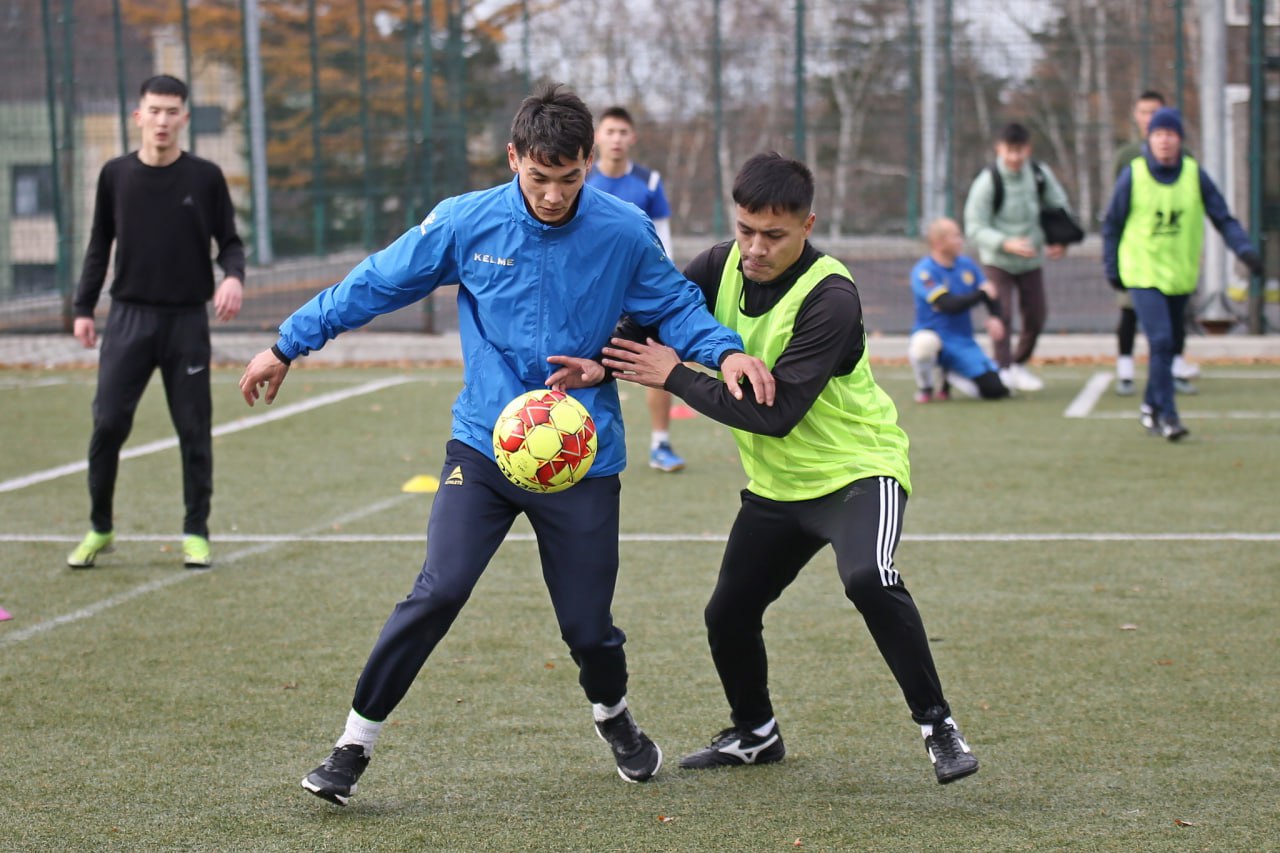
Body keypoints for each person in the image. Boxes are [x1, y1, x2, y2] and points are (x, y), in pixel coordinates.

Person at [238, 85, 774, 806]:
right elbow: (375, 281)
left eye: (570, 178)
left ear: (589, 163)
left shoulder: (624, 230)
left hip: (582, 458)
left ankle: (612, 713)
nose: (553, 195)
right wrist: (286, 343)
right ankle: (351, 746)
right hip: (484, 450)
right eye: (538, 177)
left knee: (588, 628)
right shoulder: (467, 221)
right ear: (513, 157)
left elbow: (676, 306)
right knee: (439, 589)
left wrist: (727, 351)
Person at [601, 152, 979, 785]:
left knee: (868, 577)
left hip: (858, 471)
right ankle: (755, 733)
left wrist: (675, 375)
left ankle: (938, 725)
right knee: (728, 614)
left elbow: (776, 416)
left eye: (773, 235)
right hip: (779, 488)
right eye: (745, 228)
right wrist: (597, 359)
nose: (754, 247)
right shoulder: (718, 264)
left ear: (808, 225)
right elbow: (641, 320)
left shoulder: (831, 297)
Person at [67, 74, 245, 570]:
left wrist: (232, 277)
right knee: (107, 424)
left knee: (193, 429)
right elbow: (100, 243)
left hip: (187, 322)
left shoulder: (205, 177)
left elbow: (229, 242)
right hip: (128, 319)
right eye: (154, 110)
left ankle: (196, 532)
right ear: (138, 115)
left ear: (184, 118)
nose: (162, 120)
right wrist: (84, 308)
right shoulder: (115, 175)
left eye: (172, 111)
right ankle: (100, 527)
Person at [1102, 107, 1262, 441]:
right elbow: (1112, 225)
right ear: (1149, 138)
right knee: (1160, 340)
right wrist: (1112, 267)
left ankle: (1150, 407)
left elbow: (1223, 218)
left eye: (1170, 134)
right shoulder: (1133, 175)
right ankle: (1169, 417)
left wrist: (1244, 250)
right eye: (1158, 134)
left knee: (1171, 344)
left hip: (1180, 275)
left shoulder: (1194, 175)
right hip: (1142, 272)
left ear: (1180, 139)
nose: (1164, 140)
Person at [586, 106, 686, 473]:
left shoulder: (649, 181)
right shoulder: (581, 181)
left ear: (633, 138)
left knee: (656, 360)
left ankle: (661, 444)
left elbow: (663, 239)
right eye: (609, 131)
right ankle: (575, 441)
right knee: (584, 362)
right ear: (597, 137)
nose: (616, 138)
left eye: (623, 132)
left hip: (640, 293)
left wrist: (663, 286)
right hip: (593, 294)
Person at [962, 122, 1074, 393]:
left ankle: (1018, 362)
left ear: (1028, 148)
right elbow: (974, 226)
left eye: (1020, 150)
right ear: (999, 149)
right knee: (1003, 314)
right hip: (998, 260)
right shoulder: (988, 181)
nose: (1014, 157)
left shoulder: (1039, 174)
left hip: (1031, 260)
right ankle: (1003, 368)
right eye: (1009, 150)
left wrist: (1061, 239)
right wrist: (1005, 243)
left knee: (1036, 315)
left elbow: (1058, 207)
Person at [1111, 91, 1200, 396]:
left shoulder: (1185, 160)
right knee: (1129, 312)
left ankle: (1171, 374)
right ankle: (1126, 371)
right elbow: (1116, 212)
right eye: (1144, 112)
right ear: (1136, 117)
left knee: (1173, 323)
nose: (1149, 118)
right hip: (1138, 255)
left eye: (1155, 113)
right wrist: (1116, 259)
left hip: (1173, 256)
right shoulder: (1127, 159)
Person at [908, 217, 1010, 402]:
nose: (960, 240)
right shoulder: (924, 271)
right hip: (936, 336)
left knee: (996, 390)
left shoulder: (967, 265)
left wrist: (995, 316)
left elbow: (990, 292)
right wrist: (981, 294)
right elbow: (949, 305)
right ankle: (926, 387)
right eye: (955, 236)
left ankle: (948, 375)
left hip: (962, 340)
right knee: (923, 345)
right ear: (939, 243)